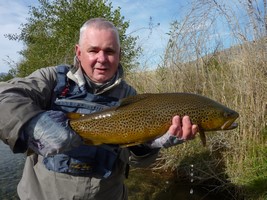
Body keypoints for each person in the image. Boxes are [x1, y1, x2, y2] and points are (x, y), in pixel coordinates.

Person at [0, 18, 198, 200]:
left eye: (110, 51)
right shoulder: (51, 80)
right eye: (93, 50)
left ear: (119, 54)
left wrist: (148, 146)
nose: (102, 59)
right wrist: (31, 123)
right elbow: (4, 96)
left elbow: (133, 160)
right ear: (78, 52)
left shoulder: (130, 97)